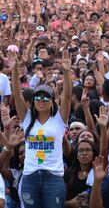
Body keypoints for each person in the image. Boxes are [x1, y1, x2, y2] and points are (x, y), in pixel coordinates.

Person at [11, 49, 72, 208]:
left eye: (46, 97)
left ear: (52, 101)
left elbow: (66, 96)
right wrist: (15, 69)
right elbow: (17, 95)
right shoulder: (27, 119)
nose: (41, 100)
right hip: (30, 176)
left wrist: (66, 72)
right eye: (38, 96)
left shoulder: (59, 120)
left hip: (53, 178)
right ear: (33, 101)